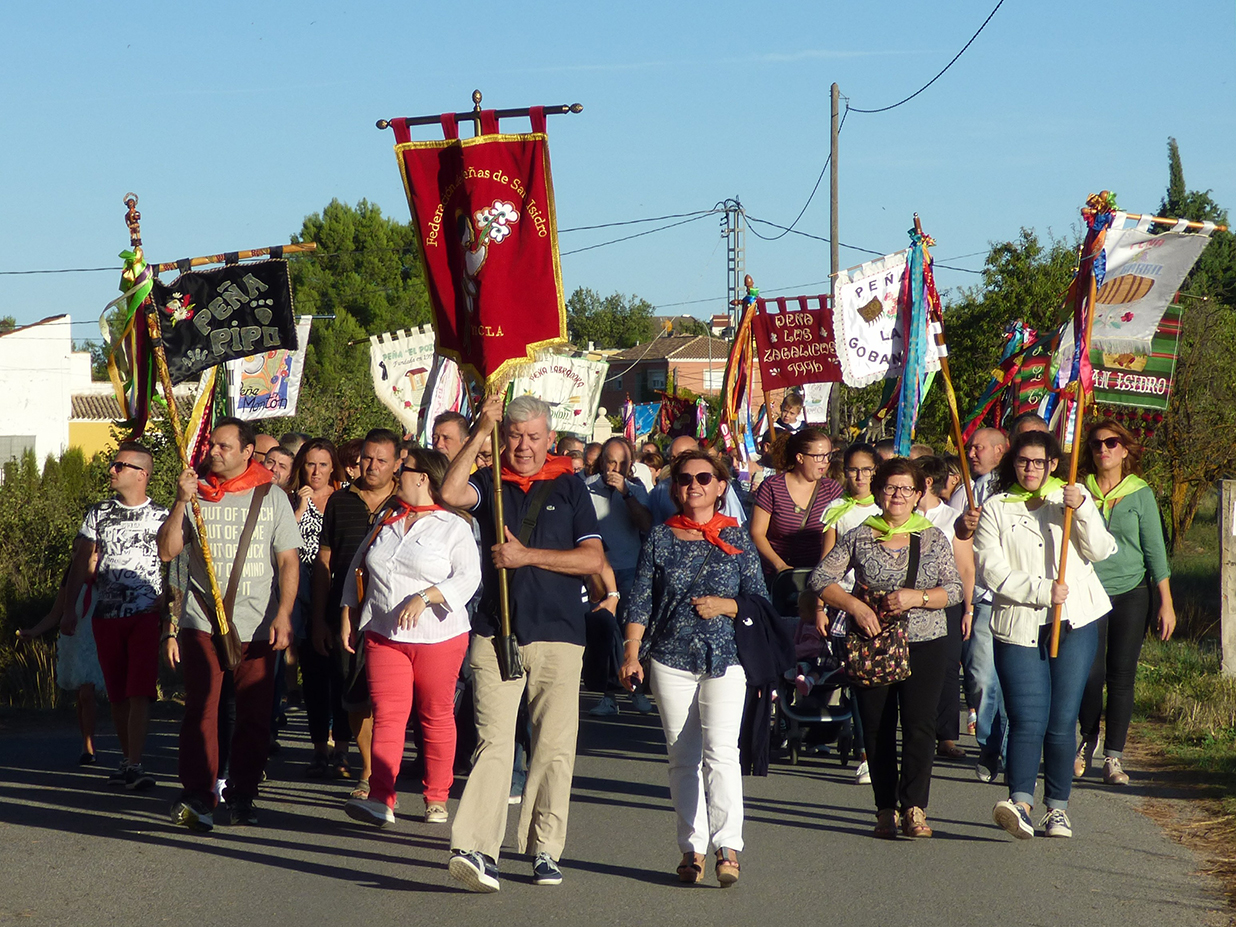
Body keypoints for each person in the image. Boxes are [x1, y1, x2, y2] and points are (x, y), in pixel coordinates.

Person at [440, 393, 603, 892]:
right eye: (514, 436)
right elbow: (448, 493)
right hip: (496, 632)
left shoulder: (571, 486)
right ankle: (476, 849)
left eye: (534, 437)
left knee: (553, 747)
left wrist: (526, 556)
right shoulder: (489, 482)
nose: (524, 447)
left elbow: (592, 561)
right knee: (493, 740)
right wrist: (478, 429)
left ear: (550, 438)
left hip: (559, 635)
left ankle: (544, 849)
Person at [620, 449, 768, 885]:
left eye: (704, 478)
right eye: (684, 479)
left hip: (726, 658)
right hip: (670, 657)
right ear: (674, 488)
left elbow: (759, 600)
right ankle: (692, 848)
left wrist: (728, 605)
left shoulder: (737, 538)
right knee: (682, 758)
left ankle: (728, 848)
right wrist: (631, 651)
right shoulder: (661, 539)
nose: (694, 486)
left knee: (721, 752)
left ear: (721, 487)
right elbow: (641, 599)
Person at [158, 418, 301, 831]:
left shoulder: (271, 497)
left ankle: (243, 793)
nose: (214, 452)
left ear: (246, 452)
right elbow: (168, 551)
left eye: (223, 446)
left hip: (256, 624)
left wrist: (285, 613)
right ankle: (199, 794)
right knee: (201, 708)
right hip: (201, 619)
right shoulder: (197, 492)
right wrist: (182, 501)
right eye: (212, 446)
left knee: (255, 716)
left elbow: (288, 561)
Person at [809, 459, 962, 838]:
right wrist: (854, 605)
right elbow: (820, 578)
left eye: (906, 489)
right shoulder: (859, 535)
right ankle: (884, 808)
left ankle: (914, 807)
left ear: (917, 495)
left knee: (919, 725)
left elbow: (955, 589)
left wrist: (918, 597)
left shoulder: (932, 537)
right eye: (890, 488)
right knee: (876, 726)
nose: (897, 495)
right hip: (873, 643)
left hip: (924, 640)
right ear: (877, 493)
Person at [974, 430, 1116, 840]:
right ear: (1012, 463)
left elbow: (1102, 550)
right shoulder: (996, 508)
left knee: (1061, 720)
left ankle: (1057, 809)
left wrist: (1084, 508)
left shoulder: (1070, 498)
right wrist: (1040, 590)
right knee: (1026, 718)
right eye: (1023, 461)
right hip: (1019, 622)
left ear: (1053, 463)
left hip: (1075, 620)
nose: (1031, 469)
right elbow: (991, 569)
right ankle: (1020, 803)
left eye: (1039, 462)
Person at [339, 447, 481, 827]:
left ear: (422, 478)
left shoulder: (455, 526)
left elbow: (468, 578)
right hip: (384, 634)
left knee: (435, 716)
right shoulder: (387, 518)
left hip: (438, 637)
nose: (396, 473)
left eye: (404, 468)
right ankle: (382, 796)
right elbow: (359, 564)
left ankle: (436, 796)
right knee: (388, 716)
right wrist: (348, 612)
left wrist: (427, 596)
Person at [62, 442, 168, 790]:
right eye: (112, 464)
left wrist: (170, 608)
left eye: (119, 465)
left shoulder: (163, 516)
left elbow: (177, 565)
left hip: (144, 615)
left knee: (139, 690)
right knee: (118, 693)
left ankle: (136, 762)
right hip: (105, 614)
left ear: (142, 474)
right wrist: (69, 610)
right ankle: (127, 760)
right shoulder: (98, 513)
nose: (111, 470)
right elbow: (81, 563)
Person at [1076, 419, 1176, 786]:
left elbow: (1155, 552)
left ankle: (1113, 758)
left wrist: (1165, 602)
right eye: (1097, 444)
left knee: (1121, 676)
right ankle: (1087, 738)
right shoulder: (1078, 489)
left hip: (1131, 592)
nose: (1103, 449)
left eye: (1112, 443)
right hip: (1087, 591)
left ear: (1125, 449)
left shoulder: (1140, 493)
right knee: (1089, 674)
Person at [309, 430, 402, 794]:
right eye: (366, 458)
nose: (372, 466)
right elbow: (325, 561)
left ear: (397, 464)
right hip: (345, 614)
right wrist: (319, 618)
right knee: (354, 694)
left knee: (389, 698)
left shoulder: (406, 500)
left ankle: (388, 765)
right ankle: (367, 770)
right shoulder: (339, 501)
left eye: (382, 460)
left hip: (394, 615)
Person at [953, 426, 1009, 782]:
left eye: (979, 447)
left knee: (1013, 680)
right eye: (969, 447)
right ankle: (990, 745)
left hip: (1018, 597)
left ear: (1001, 450)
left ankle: (1009, 749)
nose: (971, 453)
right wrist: (964, 525)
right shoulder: (967, 490)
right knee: (982, 676)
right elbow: (954, 536)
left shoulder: (1016, 489)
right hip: (983, 596)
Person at [583, 436, 653, 717]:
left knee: (631, 632)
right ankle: (607, 694)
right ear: (602, 462)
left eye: (622, 463)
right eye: (611, 461)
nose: (615, 468)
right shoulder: (585, 489)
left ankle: (635, 689)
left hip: (631, 568)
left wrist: (626, 493)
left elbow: (647, 525)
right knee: (605, 634)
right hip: (599, 572)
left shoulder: (637, 490)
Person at [19, 547, 104, 765]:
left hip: (98, 639)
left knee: (88, 692)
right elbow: (56, 613)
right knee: (80, 694)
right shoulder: (71, 577)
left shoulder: (107, 575)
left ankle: (94, 744)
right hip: (75, 638)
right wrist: (34, 631)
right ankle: (86, 743)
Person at [915, 456, 972, 760]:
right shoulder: (902, 515)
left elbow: (966, 569)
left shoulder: (952, 518)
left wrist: (968, 608)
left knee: (948, 666)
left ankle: (947, 735)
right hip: (909, 598)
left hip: (946, 599)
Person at [750, 427, 843, 585]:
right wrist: (781, 566)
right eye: (819, 457)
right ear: (800, 458)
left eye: (828, 456)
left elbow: (837, 536)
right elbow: (757, 533)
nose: (825, 462)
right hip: (775, 577)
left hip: (816, 578)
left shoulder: (832, 489)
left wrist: (822, 573)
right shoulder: (772, 487)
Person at [649, 436, 747, 526]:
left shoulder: (717, 484)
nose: (676, 462)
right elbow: (654, 525)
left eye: (682, 456)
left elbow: (736, 521)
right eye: (672, 458)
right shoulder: (660, 490)